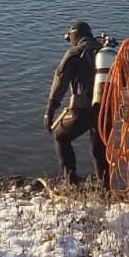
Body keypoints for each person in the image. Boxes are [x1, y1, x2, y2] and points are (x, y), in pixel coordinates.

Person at [44, 21, 110, 188]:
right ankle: (105, 187)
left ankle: (70, 181)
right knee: (99, 147)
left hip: (84, 109)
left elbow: (60, 82)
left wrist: (49, 111)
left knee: (61, 136)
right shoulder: (105, 51)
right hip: (107, 109)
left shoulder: (74, 54)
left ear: (74, 37)